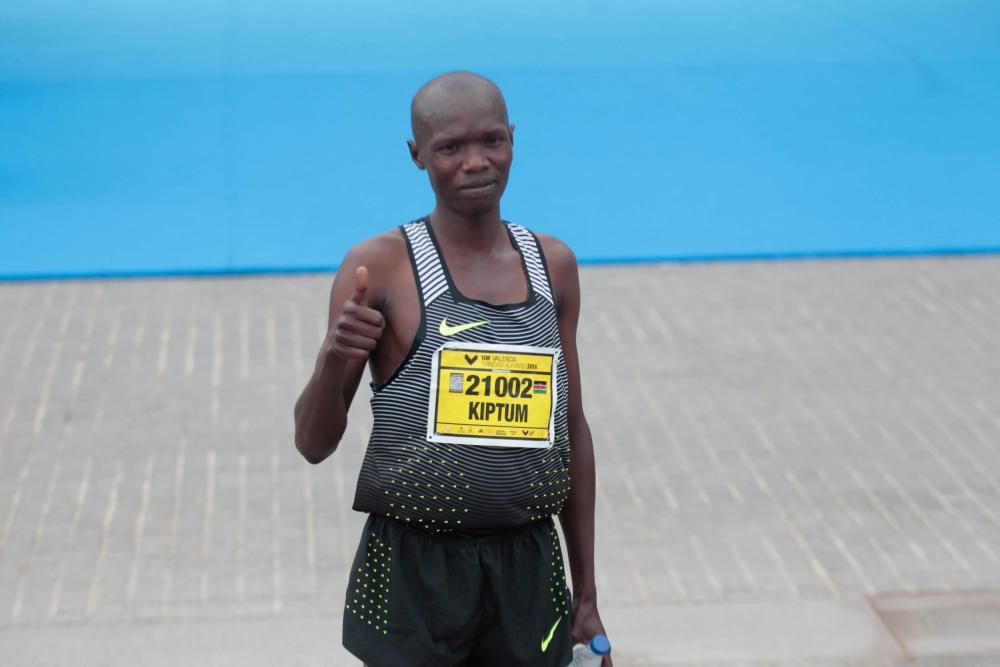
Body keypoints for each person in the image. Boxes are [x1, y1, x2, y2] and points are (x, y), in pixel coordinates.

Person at [294, 71, 611, 667]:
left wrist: (586, 591)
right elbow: (312, 444)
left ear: (514, 139)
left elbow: (572, 429)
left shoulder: (552, 267)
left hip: (527, 565)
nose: (475, 162)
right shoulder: (381, 268)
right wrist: (336, 356)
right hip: (415, 569)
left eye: (492, 140)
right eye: (450, 147)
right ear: (417, 155)